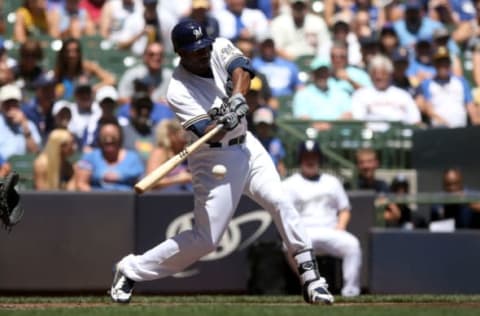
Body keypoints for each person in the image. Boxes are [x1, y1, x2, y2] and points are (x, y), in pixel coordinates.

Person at [110, 19, 334, 305]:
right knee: (206, 240)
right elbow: (204, 130)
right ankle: (130, 268)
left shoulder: (218, 47)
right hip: (213, 158)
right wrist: (223, 120)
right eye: (195, 50)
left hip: (248, 147)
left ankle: (312, 280)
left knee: (280, 201)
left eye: (203, 46)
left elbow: (242, 70)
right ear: (180, 53)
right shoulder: (177, 89)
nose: (202, 53)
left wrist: (238, 97)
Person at [283, 139, 362, 297]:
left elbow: (344, 209)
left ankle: (350, 291)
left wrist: (340, 227)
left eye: (314, 156)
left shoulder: (332, 182)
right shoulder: (289, 184)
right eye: (306, 157)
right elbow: (284, 214)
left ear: (320, 159)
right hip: (304, 232)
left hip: (330, 229)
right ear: (300, 159)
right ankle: (309, 285)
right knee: (287, 246)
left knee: (353, 245)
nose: (310, 160)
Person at [351, 54, 421, 126]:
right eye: (375, 73)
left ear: (390, 74)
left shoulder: (403, 95)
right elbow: (358, 120)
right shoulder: (361, 95)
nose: (379, 77)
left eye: (383, 73)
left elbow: (415, 120)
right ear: (370, 75)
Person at [417, 46, 479, 128]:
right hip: (439, 129)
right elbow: (428, 108)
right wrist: (442, 121)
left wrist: (476, 123)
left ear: (449, 63)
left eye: (445, 62)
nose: (443, 65)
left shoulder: (461, 82)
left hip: (461, 128)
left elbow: (470, 105)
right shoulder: (427, 83)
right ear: (435, 64)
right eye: (440, 62)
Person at [75, 119, 144, 191]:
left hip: (127, 200)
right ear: (99, 137)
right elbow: (81, 184)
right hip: (96, 200)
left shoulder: (133, 158)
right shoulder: (90, 157)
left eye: (113, 137)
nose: (109, 140)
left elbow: (140, 186)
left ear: (120, 136)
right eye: (105, 137)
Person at [145, 119, 193, 192]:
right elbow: (151, 181)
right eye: (183, 135)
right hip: (164, 198)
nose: (186, 139)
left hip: (186, 197)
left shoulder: (188, 152)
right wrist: (178, 179)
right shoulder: (160, 152)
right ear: (172, 135)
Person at [0, 84, 41, 160]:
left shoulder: (29, 125)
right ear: (1, 105)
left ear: (19, 104)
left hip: (24, 170)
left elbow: (35, 153)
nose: (11, 107)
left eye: (14, 102)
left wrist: (24, 126)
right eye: (7, 103)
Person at [251, 107, 287, 177]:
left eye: (266, 125)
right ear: (256, 126)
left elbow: (280, 164)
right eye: (261, 125)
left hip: (272, 177)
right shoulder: (252, 142)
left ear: (270, 126)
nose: (263, 128)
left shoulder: (276, 143)